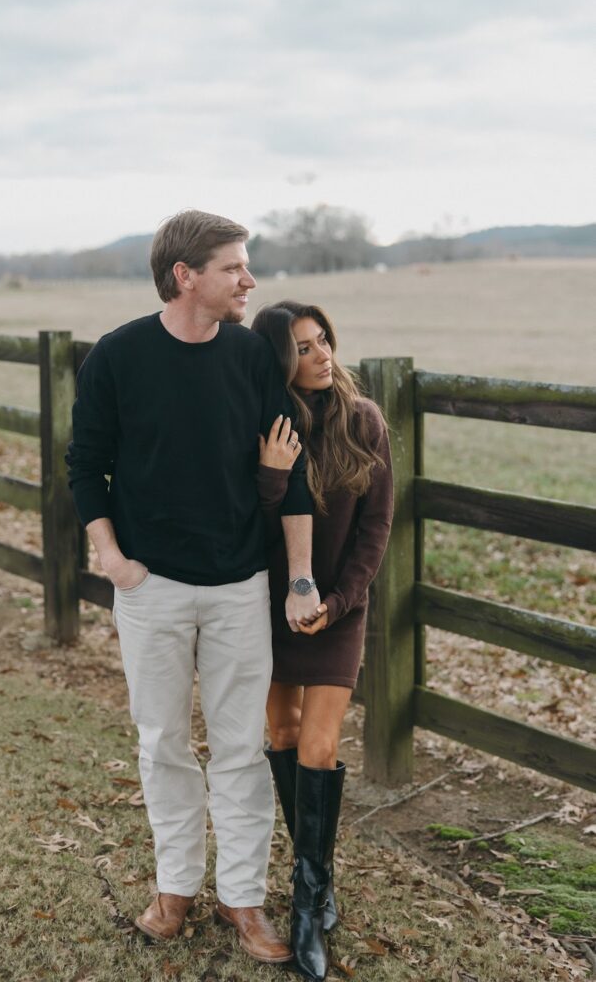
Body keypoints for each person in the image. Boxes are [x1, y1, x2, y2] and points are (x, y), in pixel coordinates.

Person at [65, 212, 322, 966]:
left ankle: (242, 899)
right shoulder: (117, 357)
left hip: (239, 583)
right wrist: (112, 558)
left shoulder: (249, 358)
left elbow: (293, 473)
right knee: (164, 743)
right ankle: (174, 886)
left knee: (240, 749)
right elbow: (86, 465)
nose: (249, 280)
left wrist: (297, 579)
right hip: (150, 587)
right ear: (186, 276)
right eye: (234, 267)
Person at [252, 300, 394, 982]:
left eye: (323, 341)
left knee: (318, 742)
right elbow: (245, 520)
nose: (321, 355)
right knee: (279, 732)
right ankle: (317, 871)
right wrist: (273, 473)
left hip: (339, 608)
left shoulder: (363, 420)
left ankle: (307, 904)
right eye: (304, 348)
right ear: (280, 361)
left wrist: (337, 605)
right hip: (268, 608)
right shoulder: (266, 424)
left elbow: (375, 528)